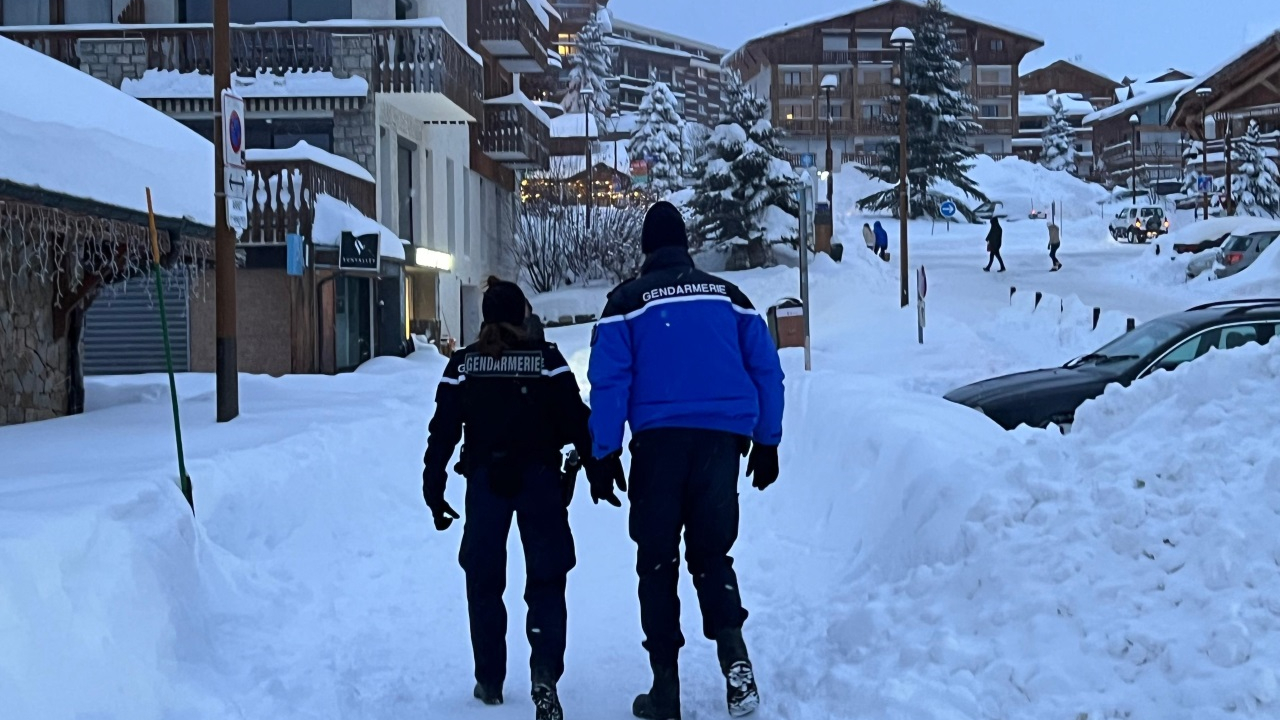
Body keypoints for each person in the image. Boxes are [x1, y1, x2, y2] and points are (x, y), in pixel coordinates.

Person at [587, 201, 786, 720]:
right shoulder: (731, 298)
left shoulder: (626, 302)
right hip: (721, 444)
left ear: (647, 248)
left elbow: (610, 382)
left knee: (657, 561)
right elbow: (768, 370)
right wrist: (767, 440)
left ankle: (666, 689)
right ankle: (736, 664)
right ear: (686, 246)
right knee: (712, 555)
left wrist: (604, 452)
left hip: (658, 448)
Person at [423, 277, 626, 720]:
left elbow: (442, 431)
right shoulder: (547, 362)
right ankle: (545, 675)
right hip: (540, 482)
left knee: (483, 580)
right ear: (522, 316)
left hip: (485, 483)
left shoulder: (463, 364)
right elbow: (577, 421)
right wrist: (600, 467)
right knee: (547, 580)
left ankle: (490, 679)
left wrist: (433, 483)